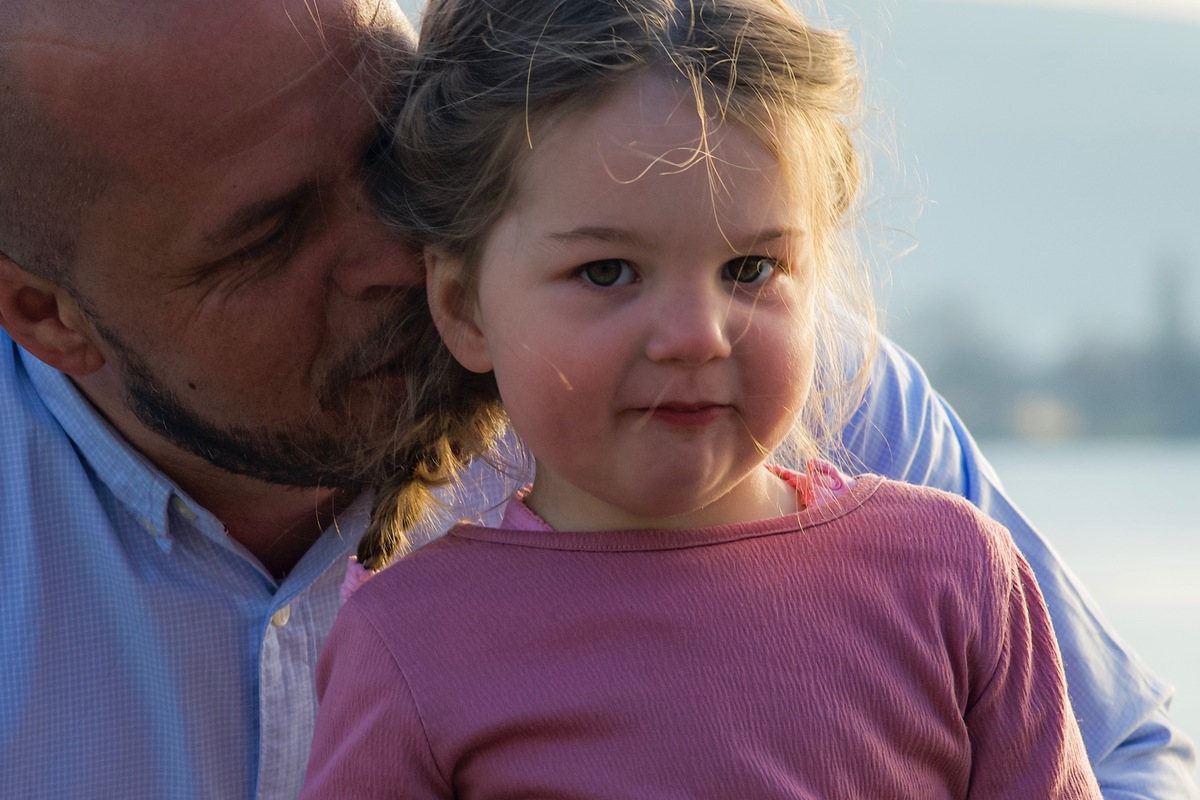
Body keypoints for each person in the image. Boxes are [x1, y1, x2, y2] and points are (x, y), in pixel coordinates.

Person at [0, 0, 1193, 799]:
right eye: (267, 234)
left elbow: (1124, 753)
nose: (391, 251)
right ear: (44, 313)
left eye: (389, 162)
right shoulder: (416, 633)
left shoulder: (784, 394)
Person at [297, 0, 1097, 795]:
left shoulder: (954, 580)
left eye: (749, 269)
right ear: (464, 307)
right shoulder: (413, 642)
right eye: (607, 272)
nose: (695, 335)